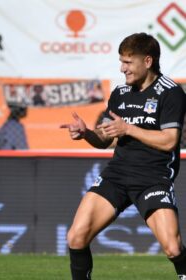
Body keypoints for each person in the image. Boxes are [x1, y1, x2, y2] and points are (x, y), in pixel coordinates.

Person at [60, 32, 186, 279]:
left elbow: (170, 140)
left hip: (153, 178)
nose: (122, 68)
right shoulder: (120, 93)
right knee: (76, 236)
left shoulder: (171, 93)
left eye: (128, 62)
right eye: (121, 62)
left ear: (147, 61)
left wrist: (128, 128)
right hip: (117, 176)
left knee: (172, 248)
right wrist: (87, 134)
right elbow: (107, 139)